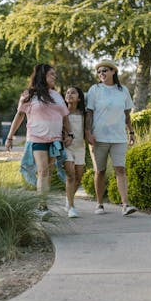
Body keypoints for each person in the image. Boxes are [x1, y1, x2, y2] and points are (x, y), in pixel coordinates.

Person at [6, 64, 73, 220]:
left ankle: (42, 203)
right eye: (51, 74)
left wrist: (70, 134)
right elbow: (20, 116)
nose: (54, 77)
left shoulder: (57, 96)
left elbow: (65, 117)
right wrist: (10, 137)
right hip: (37, 138)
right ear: (42, 76)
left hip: (55, 139)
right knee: (42, 170)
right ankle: (41, 207)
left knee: (47, 172)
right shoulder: (29, 95)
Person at [85, 59, 137, 216]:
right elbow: (89, 113)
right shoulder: (95, 89)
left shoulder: (123, 91)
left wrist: (131, 132)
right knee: (99, 171)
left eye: (105, 70)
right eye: (99, 72)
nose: (101, 74)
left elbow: (127, 115)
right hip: (99, 137)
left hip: (119, 138)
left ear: (113, 72)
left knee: (120, 169)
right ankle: (99, 204)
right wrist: (88, 132)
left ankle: (125, 205)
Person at [63, 86, 86, 218]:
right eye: (67, 92)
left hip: (80, 148)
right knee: (71, 175)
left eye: (73, 92)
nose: (69, 94)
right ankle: (71, 207)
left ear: (79, 98)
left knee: (79, 177)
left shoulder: (83, 114)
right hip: (67, 148)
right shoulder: (62, 112)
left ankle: (68, 198)